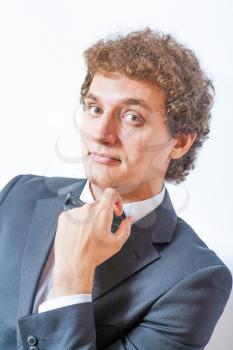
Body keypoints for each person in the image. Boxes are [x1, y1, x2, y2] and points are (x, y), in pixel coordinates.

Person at [0, 27, 232, 350]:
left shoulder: (196, 278)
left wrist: (71, 280)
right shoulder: (18, 195)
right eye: (95, 108)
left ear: (179, 141)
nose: (102, 133)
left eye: (131, 117)